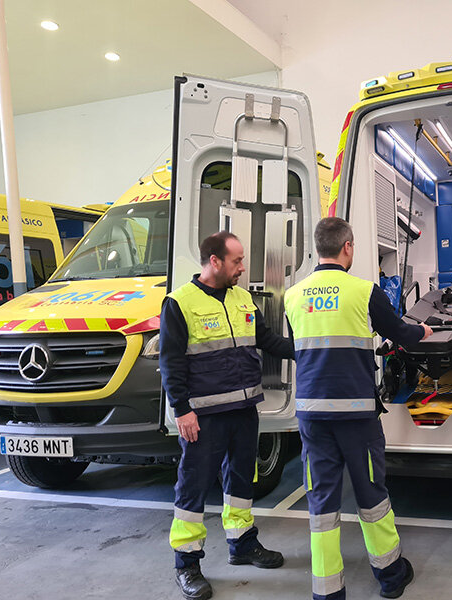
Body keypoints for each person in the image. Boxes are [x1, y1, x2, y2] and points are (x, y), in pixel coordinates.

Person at [284, 217, 432, 600]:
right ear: (347, 247)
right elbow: (400, 333)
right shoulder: (364, 291)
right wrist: (424, 331)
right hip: (355, 415)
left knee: (321, 501)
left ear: (318, 247)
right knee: (371, 495)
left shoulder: (293, 295)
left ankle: (328, 590)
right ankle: (390, 576)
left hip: (312, 417)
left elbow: (300, 347)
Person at [160, 231, 294, 600]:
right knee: (193, 486)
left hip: (244, 410)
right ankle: (187, 565)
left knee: (241, 481)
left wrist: (309, 348)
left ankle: (242, 545)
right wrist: (182, 410)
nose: (243, 267)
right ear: (214, 261)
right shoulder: (179, 303)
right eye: (236, 260)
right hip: (204, 416)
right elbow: (170, 362)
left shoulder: (242, 297)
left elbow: (268, 341)